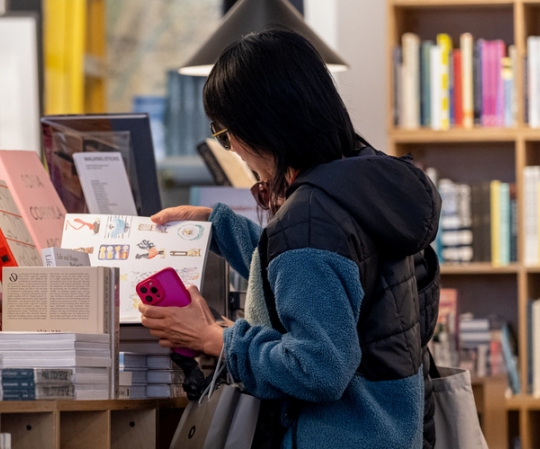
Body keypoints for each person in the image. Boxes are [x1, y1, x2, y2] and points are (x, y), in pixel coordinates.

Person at [140, 29, 441, 449]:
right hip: (389, 430)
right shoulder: (362, 184)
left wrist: (215, 339)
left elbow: (318, 368)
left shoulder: (310, 220)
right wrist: (218, 227)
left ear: (261, 128)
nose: (233, 150)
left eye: (225, 135)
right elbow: (325, 280)